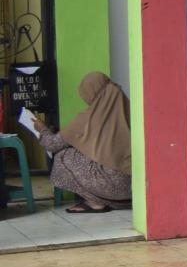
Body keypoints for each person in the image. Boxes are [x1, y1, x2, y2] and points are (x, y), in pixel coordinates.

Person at [24, 72, 133, 213]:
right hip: (134, 187)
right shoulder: (133, 112)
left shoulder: (87, 118)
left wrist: (42, 128)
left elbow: (52, 144)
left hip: (110, 187)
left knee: (63, 156)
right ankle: (117, 201)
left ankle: (95, 202)